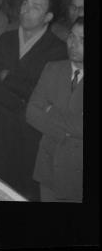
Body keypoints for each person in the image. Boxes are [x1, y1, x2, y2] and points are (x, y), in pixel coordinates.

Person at [0, 0, 66, 200]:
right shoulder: (6, 39)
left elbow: (43, 94)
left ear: (48, 17)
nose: (26, 10)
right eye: (25, 3)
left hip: (32, 133)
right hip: (1, 125)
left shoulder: (57, 49)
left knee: (25, 191)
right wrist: (20, 95)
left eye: (35, 7)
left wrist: (9, 78)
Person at [26, 17, 83, 202]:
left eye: (82, 39)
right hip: (49, 167)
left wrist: (51, 111)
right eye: (71, 37)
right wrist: (69, 130)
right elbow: (32, 113)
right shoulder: (53, 68)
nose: (73, 44)